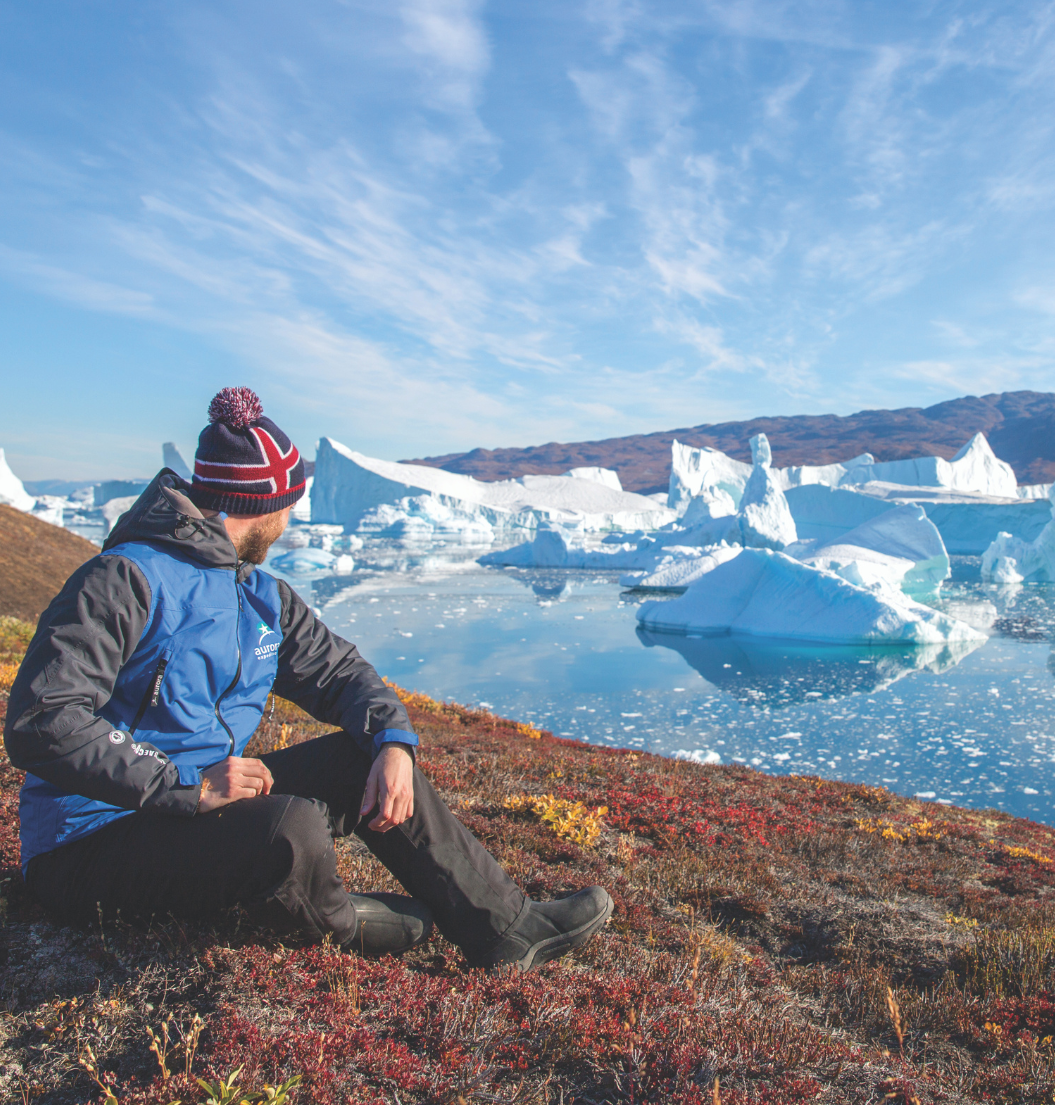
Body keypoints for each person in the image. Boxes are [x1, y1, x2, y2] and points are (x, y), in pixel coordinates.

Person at [4, 388, 612, 969]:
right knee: (288, 828)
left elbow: (342, 673)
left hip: (192, 811)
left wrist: (393, 742)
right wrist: (185, 784)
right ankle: (345, 921)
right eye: (291, 504)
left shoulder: (260, 594)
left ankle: (505, 928)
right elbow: (42, 719)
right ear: (264, 503)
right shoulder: (125, 578)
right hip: (88, 844)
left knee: (360, 756)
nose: (293, 517)